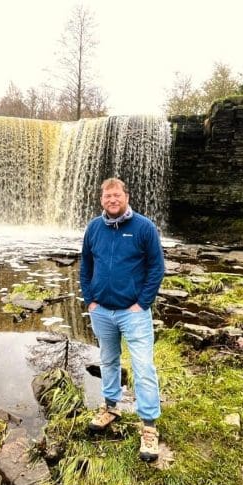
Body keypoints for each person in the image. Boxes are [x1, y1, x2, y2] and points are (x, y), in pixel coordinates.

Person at [79, 177, 166, 462]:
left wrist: (143, 303)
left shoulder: (143, 227)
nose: (112, 200)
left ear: (126, 196)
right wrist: (89, 299)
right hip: (101, 310)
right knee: (108, 360)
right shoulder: (94, 228)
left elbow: (156, 267)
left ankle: (149, 427)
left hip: (134, 313)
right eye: (107, 196)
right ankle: (111, 407)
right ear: (101, 199)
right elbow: (86, 264)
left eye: (116, 195)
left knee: (143, 367)